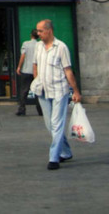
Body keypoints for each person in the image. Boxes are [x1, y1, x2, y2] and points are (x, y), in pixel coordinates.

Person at [31, 19, 82, 171]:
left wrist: (76, 91)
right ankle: (66, 152)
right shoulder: (38, 47)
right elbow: (35, 65)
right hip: (43, 91)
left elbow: (68, 70)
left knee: (57, 123)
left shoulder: (61, 47)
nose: (38, 34)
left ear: (49, 31)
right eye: (37, 31)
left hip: (59, 91)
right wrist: (37, 80)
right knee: (50, 125)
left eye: (40, 31)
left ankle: (54, 158)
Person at [15, 28, 42, 117]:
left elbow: (23, 56)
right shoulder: (40, 45)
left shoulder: (26, 44)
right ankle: (40, 110)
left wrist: (19, 67)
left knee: (24, 91)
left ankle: (22, 109)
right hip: (37, 71)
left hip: (26, 70)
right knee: (38, 91)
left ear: (31, 35)